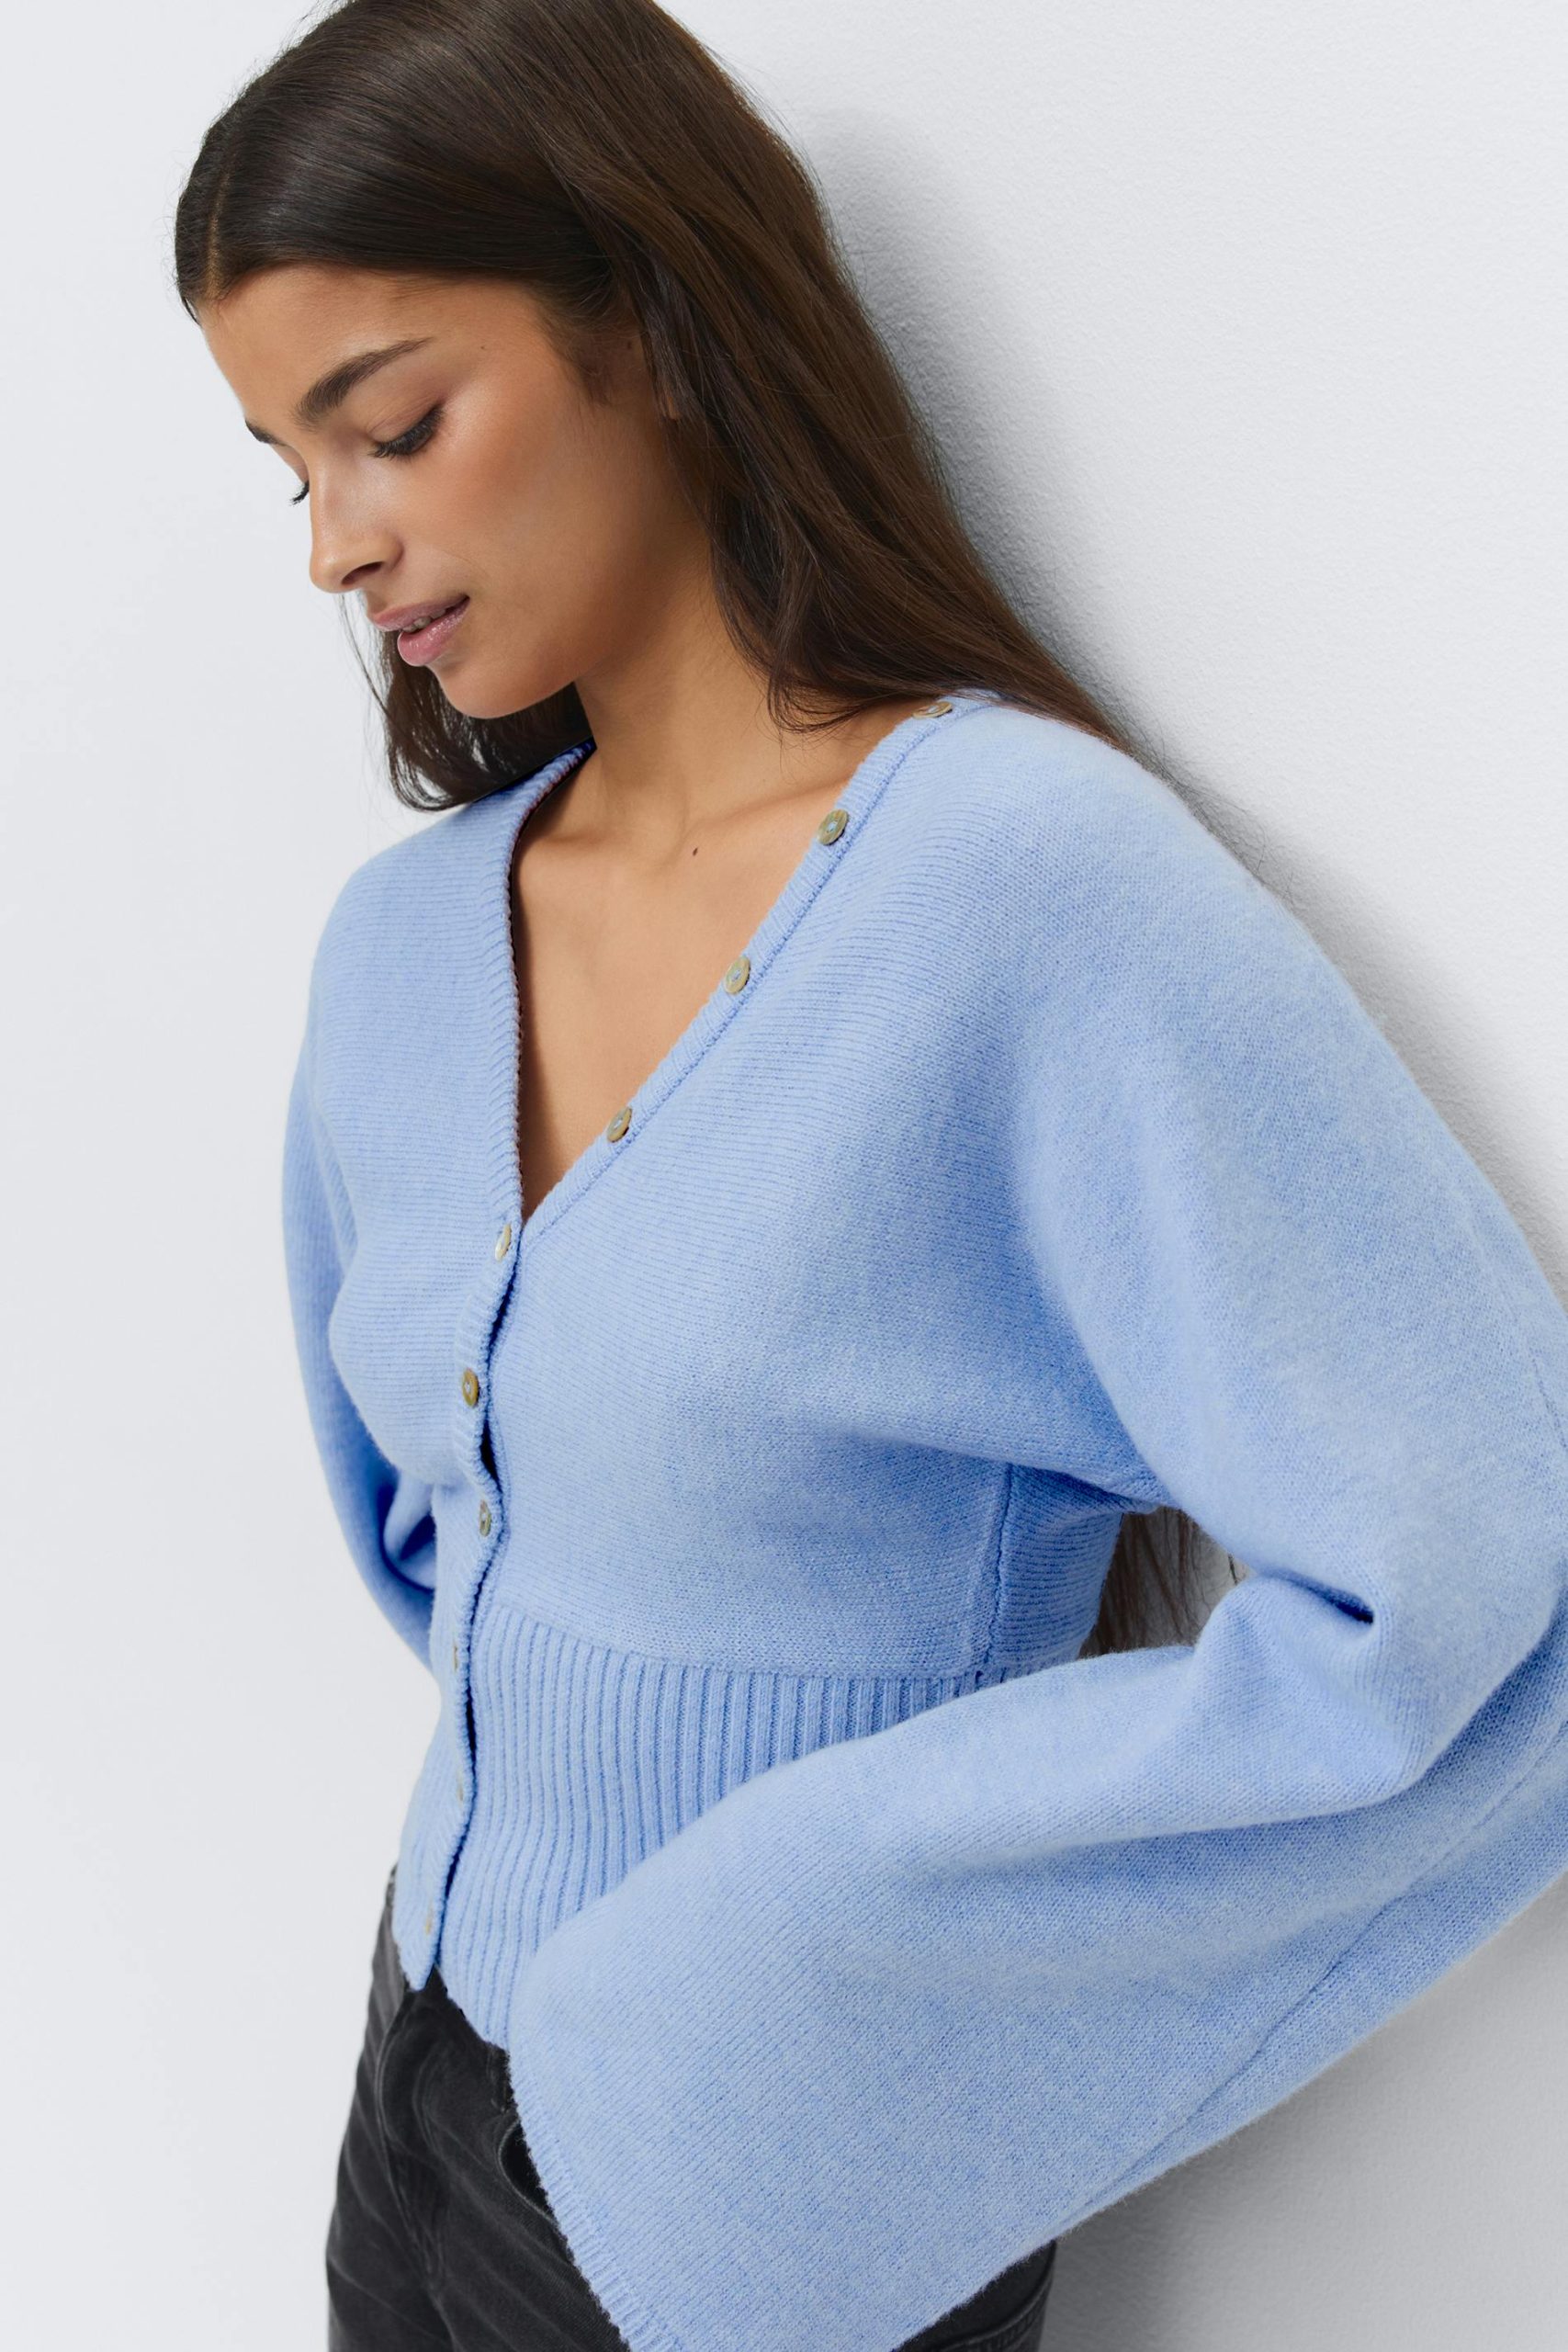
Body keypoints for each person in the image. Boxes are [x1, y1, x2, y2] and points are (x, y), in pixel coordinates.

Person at [175, 5, 1568, 2349]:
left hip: (769, 2197)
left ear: (653, 322)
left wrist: (762, 1955)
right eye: (285, 468)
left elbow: (1475, 1577)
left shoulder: (1020, 891)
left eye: (392, 424)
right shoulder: (401, 948)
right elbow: (460, 1537)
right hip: (416, 2070)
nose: (339, 543)